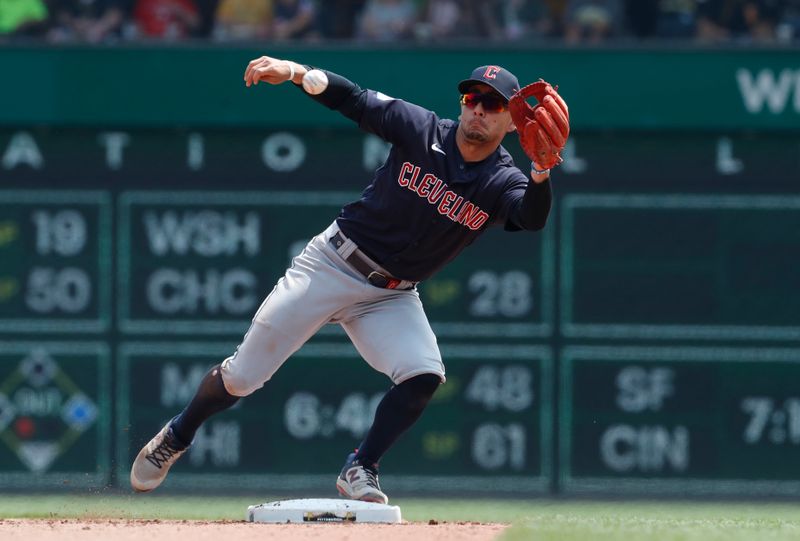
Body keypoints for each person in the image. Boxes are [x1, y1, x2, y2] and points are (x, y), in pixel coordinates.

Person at [130, 55, 563, 503]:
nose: (478, 108)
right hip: (331, 265)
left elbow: (530, 218)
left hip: (390, 295)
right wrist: (295, 72)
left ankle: (361, 467)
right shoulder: (421, 129)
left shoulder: (503, 179)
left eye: (493, 104)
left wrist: (542, 170)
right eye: (473, 97)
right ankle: (178, 435)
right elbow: (354, 99)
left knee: (424, 374)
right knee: (241, 378)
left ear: (513, 120)